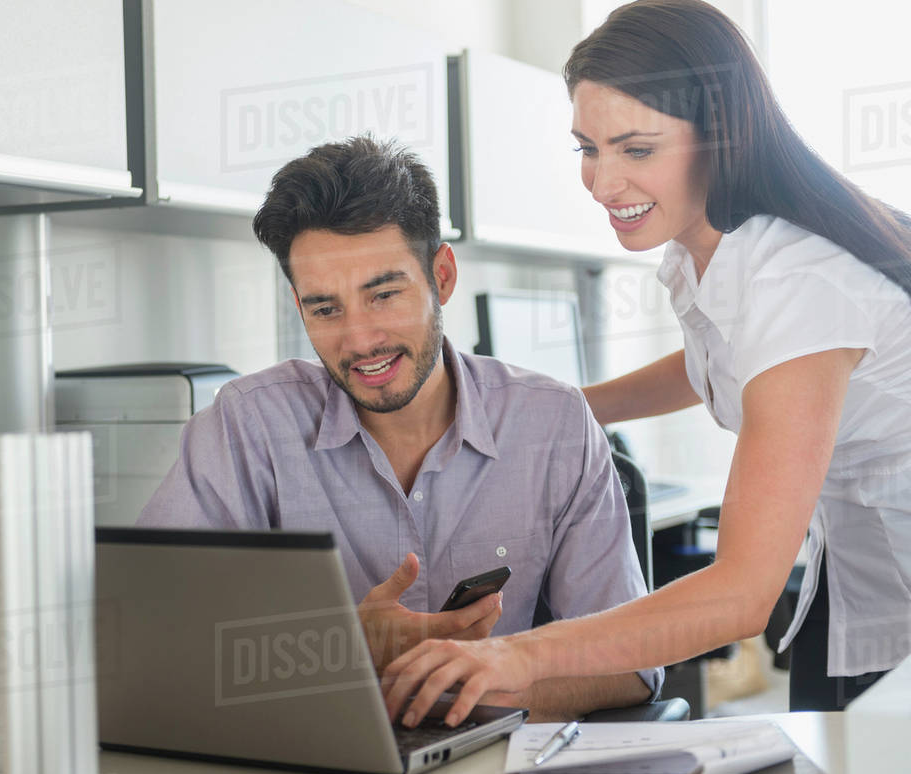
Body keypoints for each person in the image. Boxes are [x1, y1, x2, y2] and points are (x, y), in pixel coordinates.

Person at [383, 0, 911, 727]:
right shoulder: (708, 252)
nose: (601, 185)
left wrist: (522, 656)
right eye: (586, 149)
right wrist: (556, 405)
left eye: (635, 149)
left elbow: (741, 593)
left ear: (722, 139)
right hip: (858, 581)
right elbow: (710, 367)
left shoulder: (796, 283)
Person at [138, 136, 662, 720]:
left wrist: (471, 692)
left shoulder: (556, 424)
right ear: (299, 305)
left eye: (383, 294)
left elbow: (631, 663)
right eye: (325, 308)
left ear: (441, 276)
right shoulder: (246, 426)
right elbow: (150, 644)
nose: (360, 341)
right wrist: (338, 649)